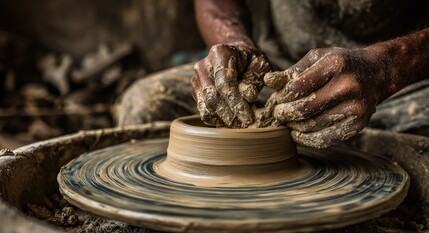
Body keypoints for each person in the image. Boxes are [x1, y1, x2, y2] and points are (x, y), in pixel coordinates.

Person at [116, 0, 429, 149]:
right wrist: (235, 41)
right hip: (280, 73)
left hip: (410, 77)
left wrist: (388, 67)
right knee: (147, 105)